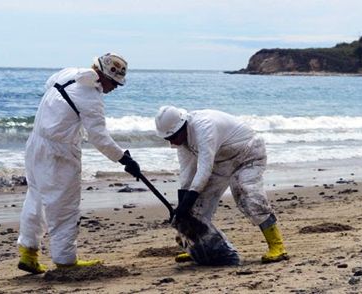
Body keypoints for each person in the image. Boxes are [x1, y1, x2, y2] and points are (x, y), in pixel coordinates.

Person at [17, 53, 141, 274]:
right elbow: (100, 138)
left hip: (36, 143)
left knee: (35, 198)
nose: (115, 88)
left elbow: (49, 89)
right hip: (60, 153)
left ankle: (28, 253)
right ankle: (65, 260)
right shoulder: (91, 97)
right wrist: (124, 159)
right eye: (114, 83)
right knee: (64, 206)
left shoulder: (68, 73)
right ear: (103, 76)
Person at [155, 106, 288, 264]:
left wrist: (186, 203)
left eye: (174, 137)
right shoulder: (182, 142)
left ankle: (277, 246)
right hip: (222, 160)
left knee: (247, 193)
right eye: (168, 139)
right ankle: (197, 247)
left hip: (248, 153)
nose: (172, 142)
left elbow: (204, 169)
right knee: (196, 208)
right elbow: (187, 173)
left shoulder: (204, 128)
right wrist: (182, 207)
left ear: (182, 126)